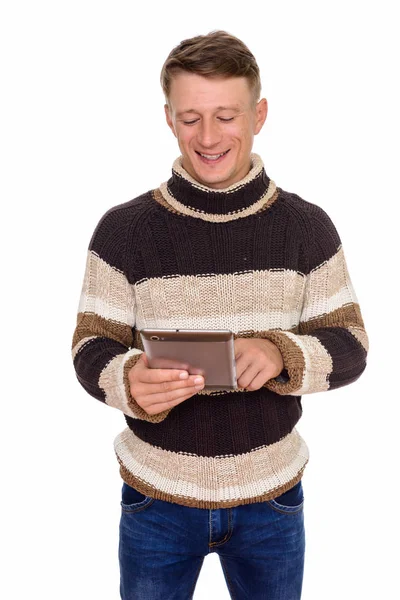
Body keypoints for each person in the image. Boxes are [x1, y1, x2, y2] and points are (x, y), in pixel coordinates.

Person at [71, 30, 368, 600]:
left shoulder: (308, 228)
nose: (207, 137)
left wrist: (280, 352)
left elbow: (351, 345)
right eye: (190, 118)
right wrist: (126, 379)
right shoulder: (123, 230)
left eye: (226, 116)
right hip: (155, 498)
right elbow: (90, 346)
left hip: (273, 501)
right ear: (168, 118)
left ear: (259, 115)